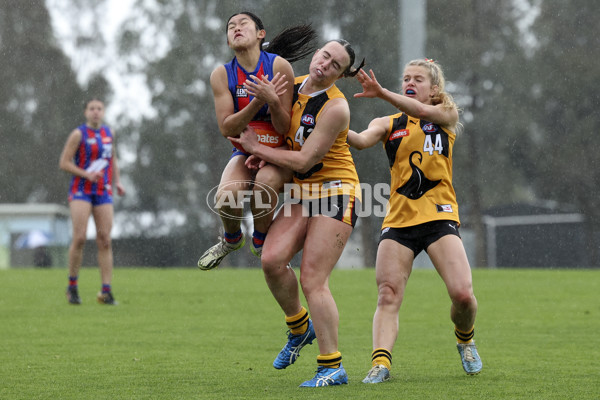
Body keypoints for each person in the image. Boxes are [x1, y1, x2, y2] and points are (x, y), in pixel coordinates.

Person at [230, 39, 364, 387]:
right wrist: (264, 153)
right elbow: (286, 138)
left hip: (336, 192)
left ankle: (332, 366)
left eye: (335, 64)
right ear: (316, 52)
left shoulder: (336, 107)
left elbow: (305, 159)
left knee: (312, 279)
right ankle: (299, 327)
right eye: (324, 55)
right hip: (302, 192)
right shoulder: (294, 84)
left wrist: (259, 148)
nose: (325, 64)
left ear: (342, 74)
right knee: (271, 262)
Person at [346, 59, 482, 383]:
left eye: (418, 79)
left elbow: (422, 113)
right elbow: (362, 140)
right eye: (406, 78)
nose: (410, 82)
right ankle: (381, 364)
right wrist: (331, 125)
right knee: (388, 294)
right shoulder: (388, 123)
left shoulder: (447, 116)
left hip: (439, 218)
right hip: (399, 222)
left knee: (463, 295)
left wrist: (382, 92)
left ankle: (465, 338)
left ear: (434, 89)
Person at [197, 12, 316, 270]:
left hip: (279, 150)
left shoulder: (278, 66)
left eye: (243, 24)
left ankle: (261, 241)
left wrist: (273, 101)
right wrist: (258, 101)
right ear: (229, 41)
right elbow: (227, 127)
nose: (236, 28)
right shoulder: (222, 74)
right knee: (226, 197)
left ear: (261, 34)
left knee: (265, 183)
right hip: (244, 149)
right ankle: (231, 240)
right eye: (231, 27)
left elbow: (284, 127)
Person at [59, 98, 125, 305]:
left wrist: (118, 182)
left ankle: (106, 292)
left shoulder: (109, 133)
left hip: (103, 191)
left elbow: (112, 159)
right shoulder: (78, 134)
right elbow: (64, 163)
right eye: (92, 109)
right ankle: (72, 286)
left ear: (103, 112)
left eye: (99, 108)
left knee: (105, 239)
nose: (96, 112)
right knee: (79, 238)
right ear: (86, 112)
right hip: (81, 190)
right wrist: (86, 174)